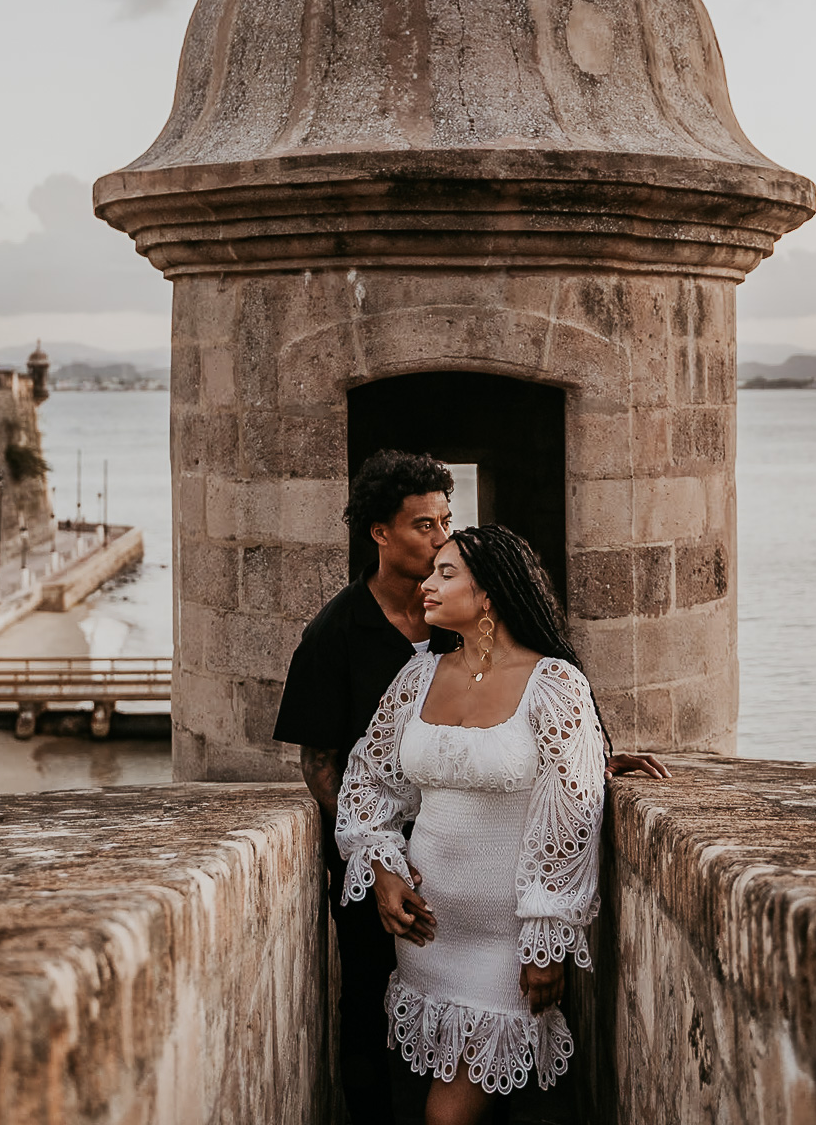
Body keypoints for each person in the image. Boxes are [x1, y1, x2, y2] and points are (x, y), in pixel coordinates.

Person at [335, 525, 650, 1125]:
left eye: (446, 574)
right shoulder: (416, 677)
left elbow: (572, 814)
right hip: (427, 936)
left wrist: (546, 935)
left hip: (507, 943)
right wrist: (381, 869)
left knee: (446, 1115)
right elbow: (370, 786)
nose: (426, 584)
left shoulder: (554, 684)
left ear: (489, 596)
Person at [273, 449, 456, 1125]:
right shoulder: (334, 632)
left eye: (446, 522)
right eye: (423, 526)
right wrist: (376, 852)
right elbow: (320, 763)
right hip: (372, 866)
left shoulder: (459, 622)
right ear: (380, 533)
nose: (441, 539)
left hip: (463, 851)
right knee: (368, 1009)